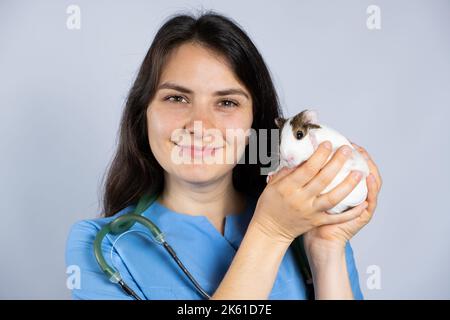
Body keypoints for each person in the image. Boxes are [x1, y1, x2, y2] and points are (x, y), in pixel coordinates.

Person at [65, 11, 382, 300]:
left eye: (227, 102)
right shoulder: (100, 248)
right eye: (176, 98)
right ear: (143, 113)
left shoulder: (308, 225)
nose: (200, 125)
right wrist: (271, 232)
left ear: (255, 122)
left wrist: (326, 250)